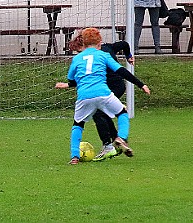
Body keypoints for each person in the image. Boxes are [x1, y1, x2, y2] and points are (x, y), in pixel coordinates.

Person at [55, 28, 150, 165]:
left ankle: (74, 157)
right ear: (99, 42)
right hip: (104, 93)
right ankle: (121, 137)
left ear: (84, 43)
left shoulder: (76, 59)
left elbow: (72, 78)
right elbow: (122, 71)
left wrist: (68, 84)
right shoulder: (103, 55)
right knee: (122, 113)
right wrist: (141, 85)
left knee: (78, 125)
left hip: (84, 96)